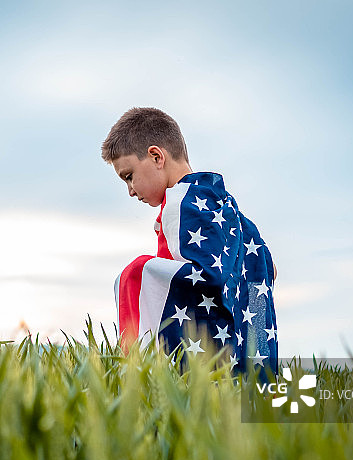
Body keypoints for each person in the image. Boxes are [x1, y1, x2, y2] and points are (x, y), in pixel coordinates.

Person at [102, 107, 277, 375]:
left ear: (156, 156)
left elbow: (197, 280)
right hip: (247, 358)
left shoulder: (178, 204)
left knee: (136, 272)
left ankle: (136, 373)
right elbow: (270, 268)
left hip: (209, 364)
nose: (130, 190)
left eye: (129, 176)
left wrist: (142, 273)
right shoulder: (226, 207)